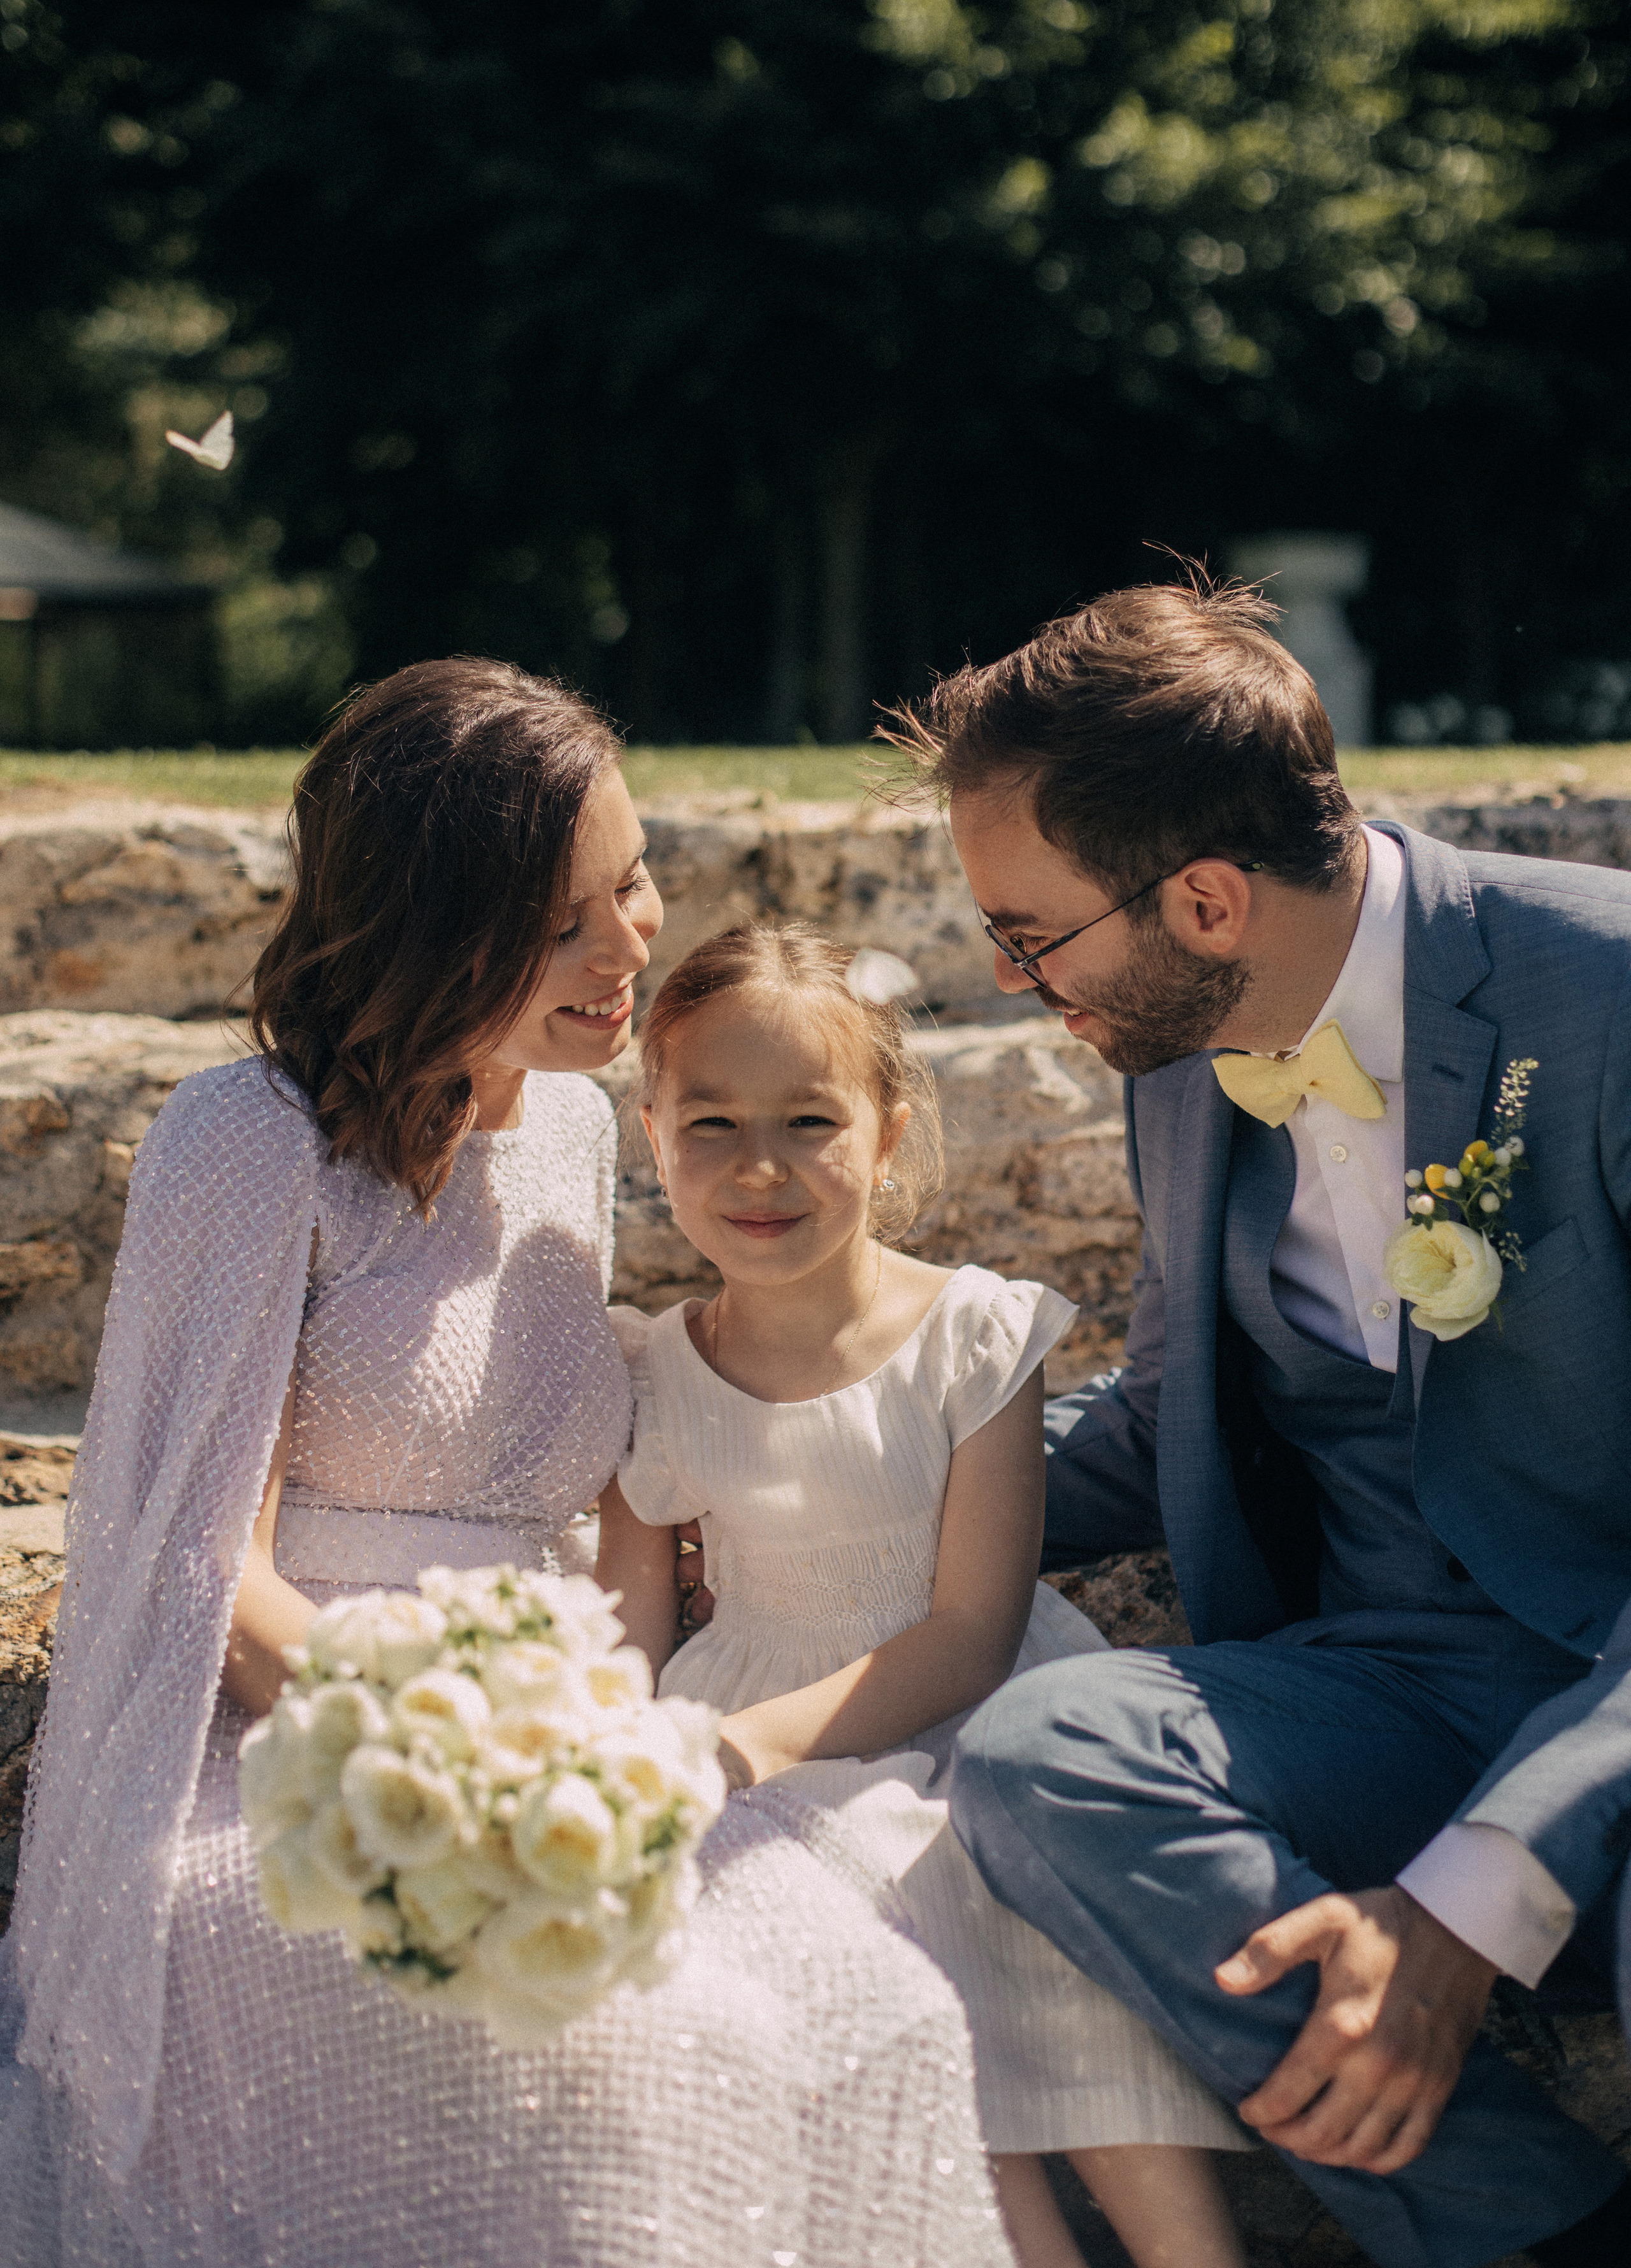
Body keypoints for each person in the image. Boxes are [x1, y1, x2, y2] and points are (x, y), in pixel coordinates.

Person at [0, 663, 1010, 2268]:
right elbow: (208, 1571)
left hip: (567, 1731)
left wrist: (606, 1746)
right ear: (424, 927)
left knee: (866, 1999)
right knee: (635, 2051)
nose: (628, 949)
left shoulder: (567, 1126)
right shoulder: (247, 1143)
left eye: (632, 883)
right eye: (560, 925)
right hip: (302, 1766)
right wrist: (469, 1768)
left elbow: (607, 1504)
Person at [880, 572, 1631, 2268]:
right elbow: (1164, 1430)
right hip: (1380, 1684)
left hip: (1617, 1703)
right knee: (1047, 1752)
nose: (1015, 987)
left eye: (1029, 935)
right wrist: (837, 1470)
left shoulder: (1611, 998)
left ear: (1208, 898)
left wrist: (1469, 1907)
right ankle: (1546, 2235)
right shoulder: (1177, 1052)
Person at [596, 921, 1253, 2268]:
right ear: (648, 1134)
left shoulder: (970, 1333)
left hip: (965, 1720)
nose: (759, 1166)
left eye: (807, 1119)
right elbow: (624, 1640)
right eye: (708, 1121)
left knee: (995, 1889)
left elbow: (968, 1630)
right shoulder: (646, 1375)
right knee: (874, 1936)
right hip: (751, 1759)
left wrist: (750, 1746)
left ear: (887, 1135)